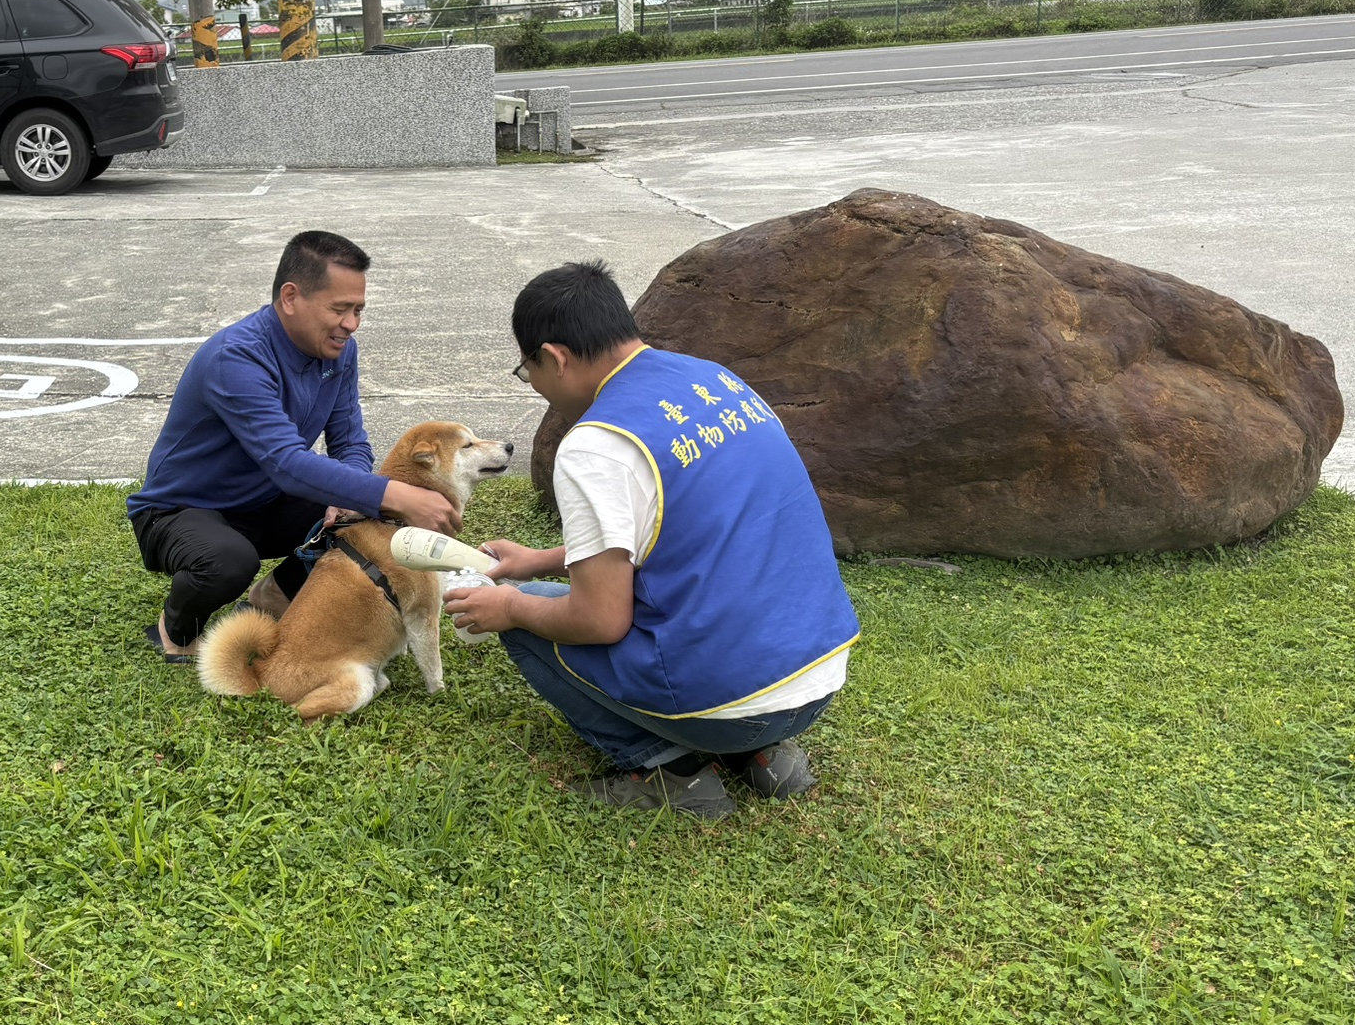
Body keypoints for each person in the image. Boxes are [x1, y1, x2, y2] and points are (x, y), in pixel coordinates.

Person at [444, 261, 860, 819]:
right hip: (819, 678)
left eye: (528, 370)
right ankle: (766, 759)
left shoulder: (596, 443)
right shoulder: (717, 381)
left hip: (728, 705)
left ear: (556, 357)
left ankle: (672, 771)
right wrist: (540, 560)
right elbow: (679, 532)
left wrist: (513, 603)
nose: (535, 386)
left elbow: (600, 621)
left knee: (522, 619)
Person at [129, 230, 461, 660]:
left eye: (359, 310)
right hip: (179, 510)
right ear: (290, 297)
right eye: (340, 309)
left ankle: (271, 599)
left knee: (360, 515)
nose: (351, 324)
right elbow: (286, 462)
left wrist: (353, 499)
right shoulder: (237, 357)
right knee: (228, 562)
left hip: (264, 501)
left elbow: (350, 441)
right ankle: (176, 629)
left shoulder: (340, 351)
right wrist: (398, 496)